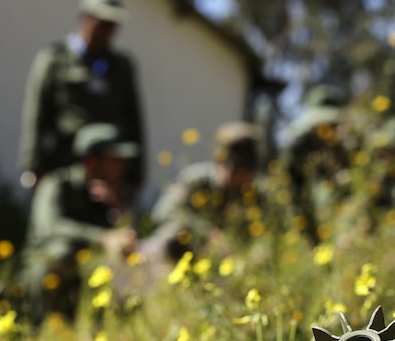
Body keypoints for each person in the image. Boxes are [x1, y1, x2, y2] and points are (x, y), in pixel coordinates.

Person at [18, 0, 145, 203]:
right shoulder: (55, 60)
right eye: (102, 21)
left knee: (107, 234)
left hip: (108, 170)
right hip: (64, 163)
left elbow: (134, 120)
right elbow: (35, 114)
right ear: (84, 18)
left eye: (113, 24)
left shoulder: (122, 67)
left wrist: (135, 174)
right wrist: (32, 165)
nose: (108, 29)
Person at [21, 123, 138, 325]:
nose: (122, 166)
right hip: (46, 269)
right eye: (114, 160)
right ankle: (38, 323)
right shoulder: (56, 184)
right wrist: (102, 237)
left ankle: (114, 325)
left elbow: (130, 238)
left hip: (88, 274)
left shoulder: (110, 194)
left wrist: (118, 207)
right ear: (92, 161)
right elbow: (52, 226)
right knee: (62, 251)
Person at [147, 122, 264, 261]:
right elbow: (164, 211)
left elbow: (266, 229)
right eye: (238, 172)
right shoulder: (196, 180)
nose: (243, 179)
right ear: (221, 161)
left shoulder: (253, 193)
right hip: (183, 255)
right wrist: (206, 233)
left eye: (248, 173)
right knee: (174, 232)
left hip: (226, 263)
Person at [280, 85, 352, 245]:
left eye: (331, 125)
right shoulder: (297, 147)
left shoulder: (347, 147)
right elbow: (291, 194)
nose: (326, 130)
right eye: (322, 124)